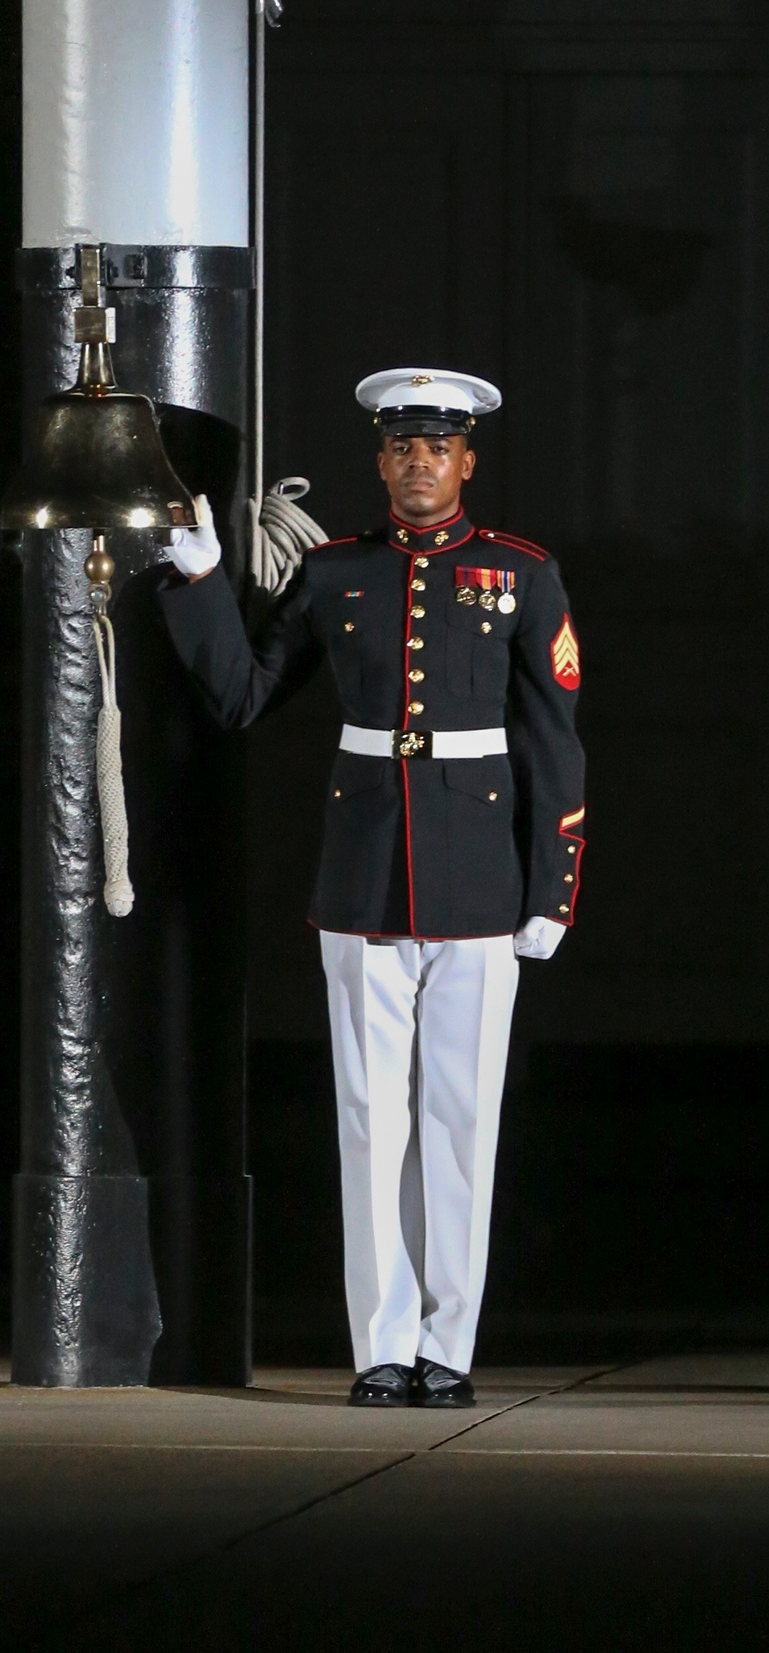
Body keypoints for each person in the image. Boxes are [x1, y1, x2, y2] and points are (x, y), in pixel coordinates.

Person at [157, 368, 585, 1407]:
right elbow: (244, 696)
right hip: (359, 877)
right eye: (400, 446)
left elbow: (553, 747)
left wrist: (550, 890)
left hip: (482, 883)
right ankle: (382, 1349)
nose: (418, 462)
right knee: (368, 1120)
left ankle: (449, 1349)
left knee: (459, 1119)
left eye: (437, 446)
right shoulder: (334, 572)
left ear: (467, 459)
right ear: (379, 459)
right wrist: (204, 584)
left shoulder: (519, 573)